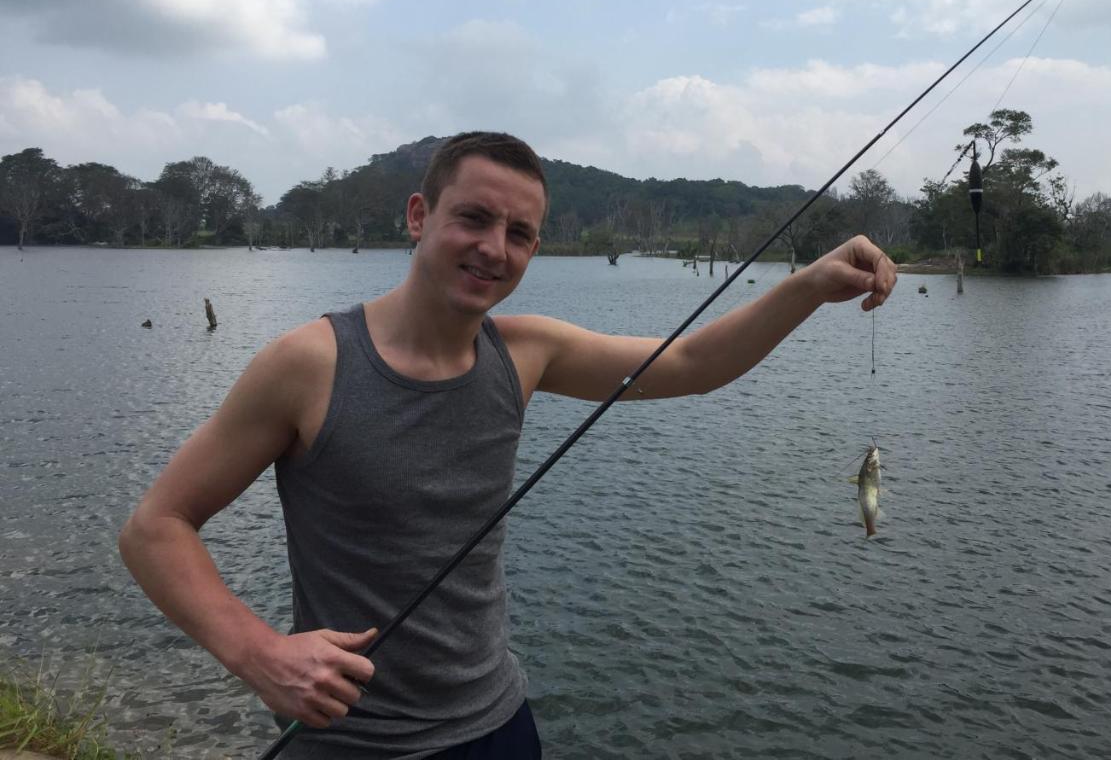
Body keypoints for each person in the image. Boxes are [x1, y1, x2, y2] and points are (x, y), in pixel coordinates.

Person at [119, 131, 898, 758]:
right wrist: (259, 655)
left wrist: (806, 285)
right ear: (419, 215)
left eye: (519, 233)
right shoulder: (309, 365)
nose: (495, 248)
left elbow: (691, 364)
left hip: (497, 725)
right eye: (474, 219)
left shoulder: (524, 354)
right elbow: (155, 527)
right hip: (354, 743)